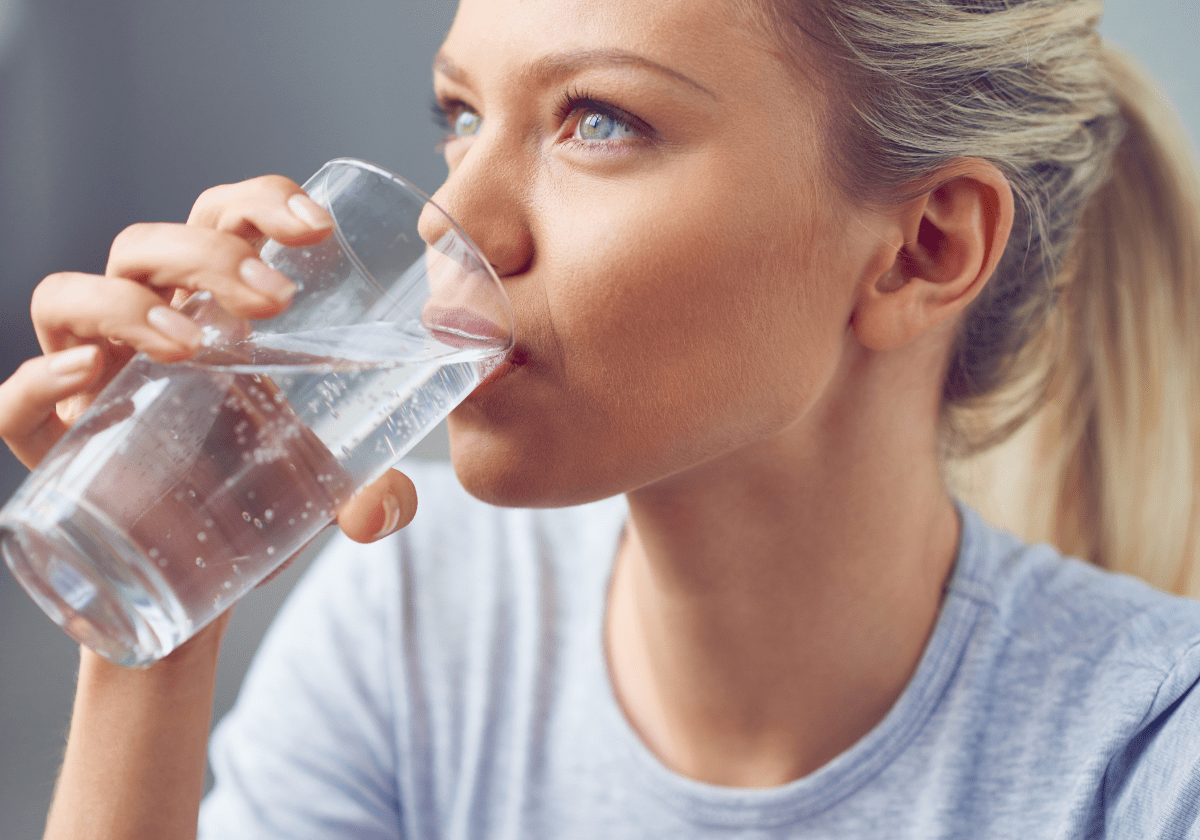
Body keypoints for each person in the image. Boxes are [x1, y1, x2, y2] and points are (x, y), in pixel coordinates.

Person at [3, 0, 1200, 836]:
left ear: (922, 250)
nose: (453, 218)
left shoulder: (1150, 752)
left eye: (598, 121)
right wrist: (157, 610)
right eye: (461, 114)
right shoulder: (419, 627)